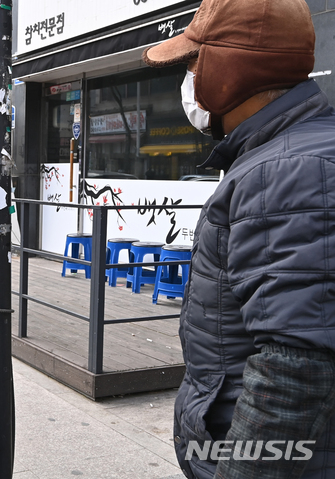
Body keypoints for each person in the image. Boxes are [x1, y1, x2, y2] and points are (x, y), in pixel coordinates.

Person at [142, 0, 335, 478]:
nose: (187, 80)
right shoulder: (287, 153)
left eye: (192, 63)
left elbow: (294, 371)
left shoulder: (286, 170)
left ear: (228, 68)